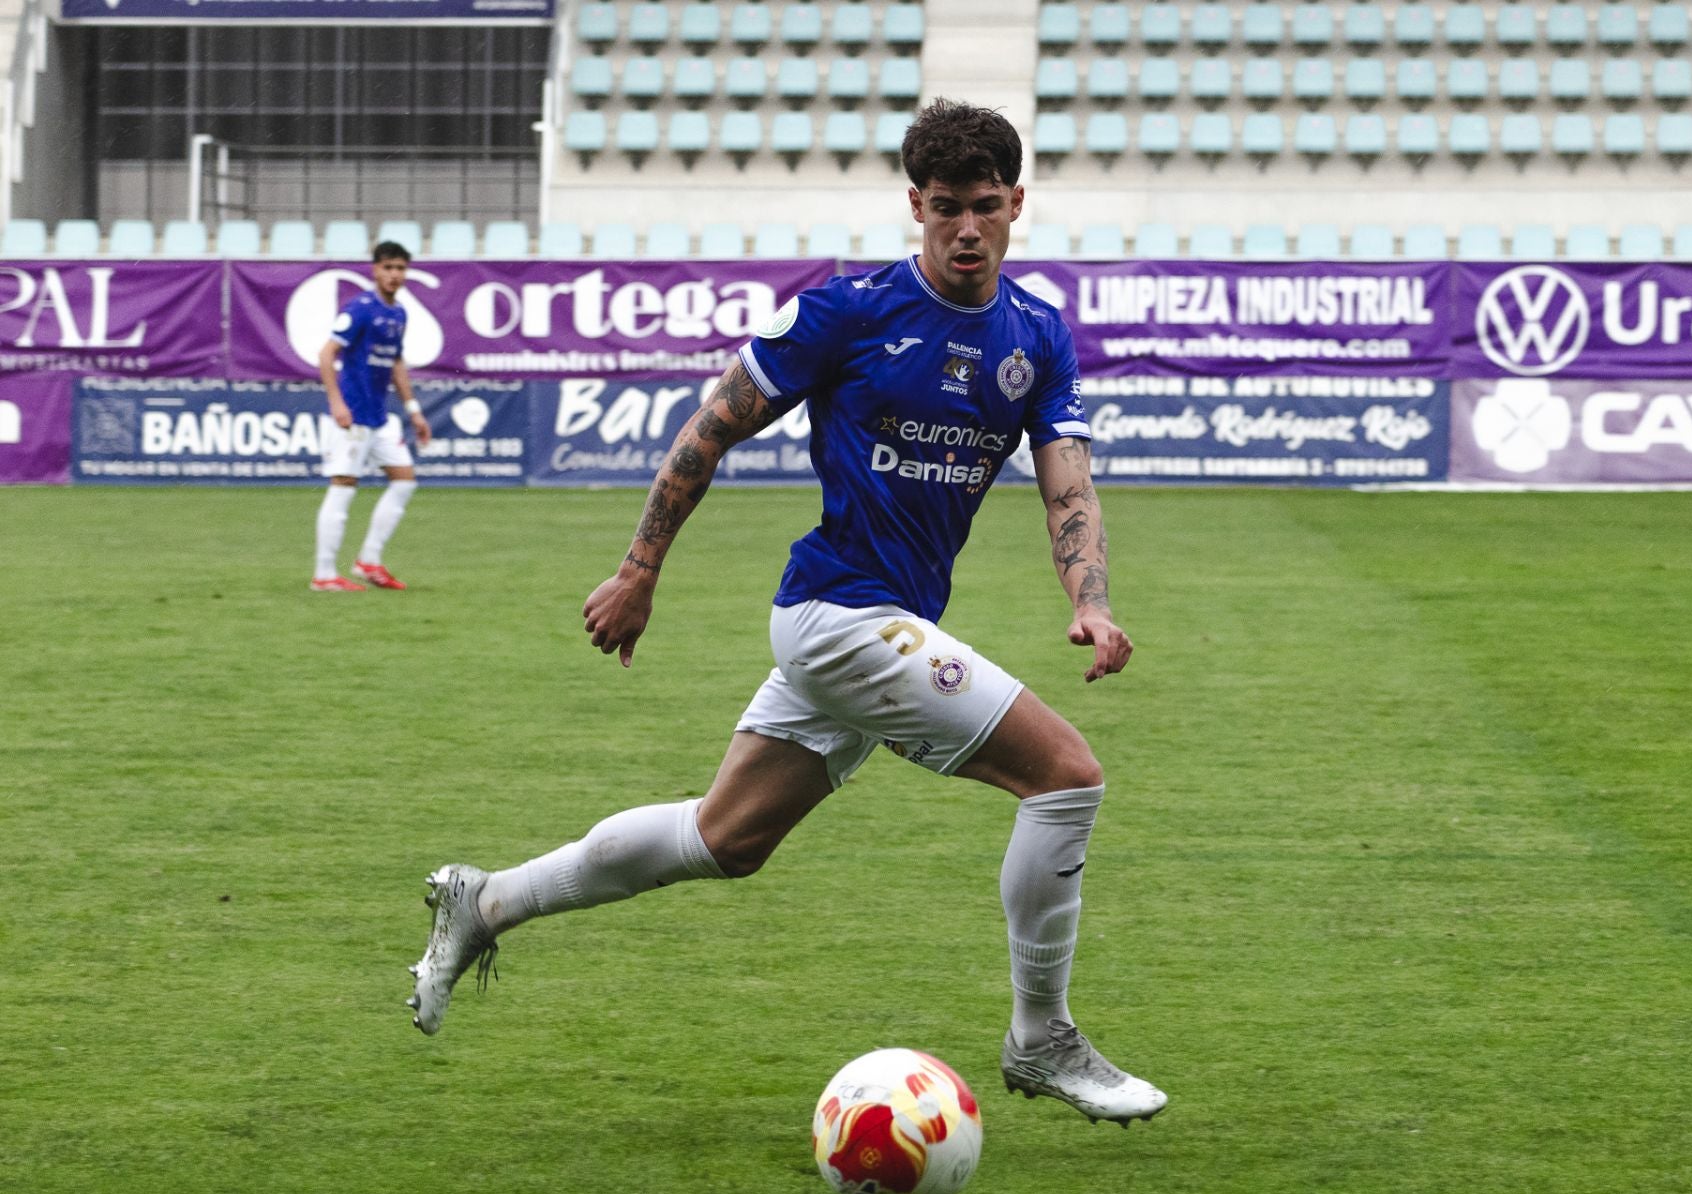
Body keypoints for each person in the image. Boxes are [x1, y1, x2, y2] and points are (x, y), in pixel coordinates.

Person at [407, 99, 1166, 1125]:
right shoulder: (847, 313)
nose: (968, 229)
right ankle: (1042, 1038)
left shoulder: (1036, 335)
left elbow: (1068, 486)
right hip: (840, 615)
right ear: (916, 205)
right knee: (1066, 777)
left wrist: (1093, 600)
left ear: (1017, 203)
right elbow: (709, 426)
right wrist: (639, 568)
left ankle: (485, 899)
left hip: (875, 626)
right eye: (946, 208)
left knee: (726, 837)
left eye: (986, 206)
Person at [311, 241, 432, 592]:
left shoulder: (399, 314)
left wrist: (413, 410)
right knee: (343, 486)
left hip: (379, 417)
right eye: (388, 268)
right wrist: (336, 403)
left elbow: (395, 363)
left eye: (400, 268)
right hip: (352, 415)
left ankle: (369, 560)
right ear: (375, 270)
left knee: (405, 479)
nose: (395, 275)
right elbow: (326, 354)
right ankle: (323, 574)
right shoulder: (361, 308)